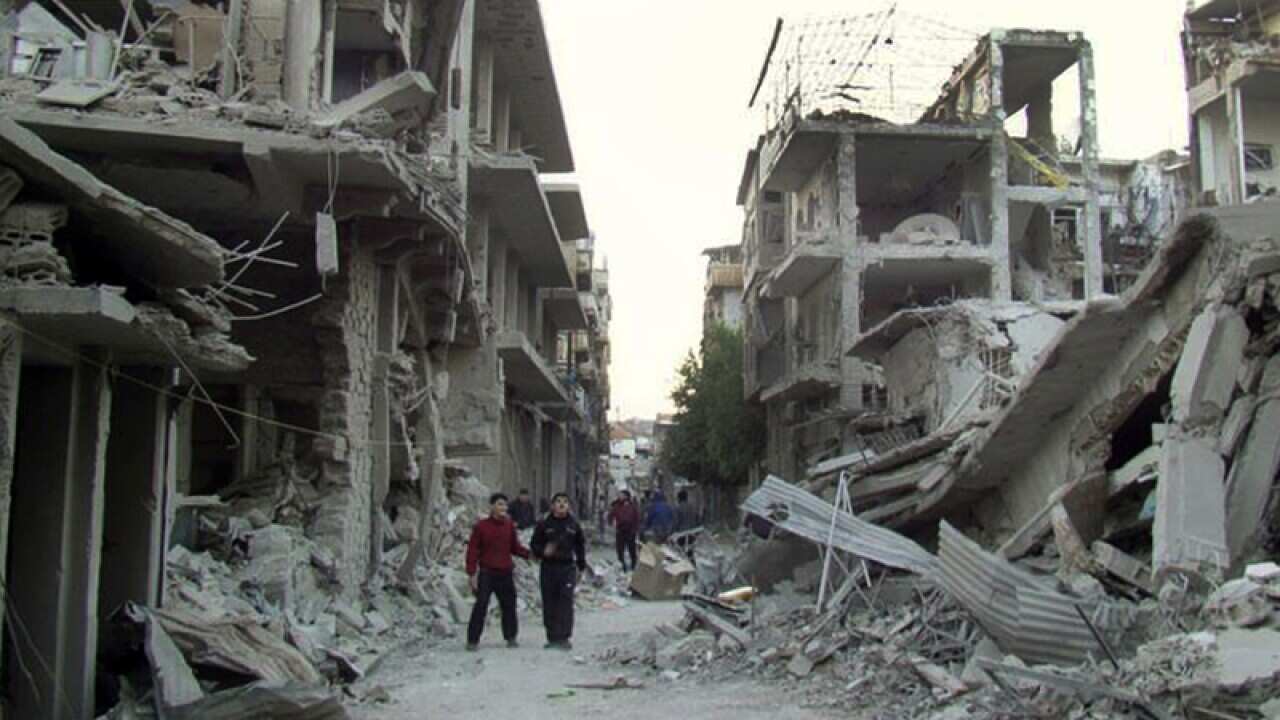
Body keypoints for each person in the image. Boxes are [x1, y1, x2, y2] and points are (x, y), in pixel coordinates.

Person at [465, 493, 530, 651]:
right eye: (500, 504)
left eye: (505, 505)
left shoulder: (509, 526)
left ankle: (511, 637)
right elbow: (472, 551)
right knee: (481, 605)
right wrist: (472, 573)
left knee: (509, 605)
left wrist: (531, 554)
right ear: (492, 506)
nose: (504, 508)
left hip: (505, 572)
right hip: (487, 573)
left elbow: (515, 547)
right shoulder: (481, 527)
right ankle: (472, 640)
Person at [530, 493, 587, 650]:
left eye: (565, 502)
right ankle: (552, 637)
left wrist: (581, 567)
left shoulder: (574, 525)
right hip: (548, 568)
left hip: (567, 568)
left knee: (565, 602)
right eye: (558, 502)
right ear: (552, 505)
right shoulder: (544, 524)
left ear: (569, 506)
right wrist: (542, 552)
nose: (562, 505)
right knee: (549, 602)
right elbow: (534, 545)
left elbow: (580, 547)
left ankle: (564, 637)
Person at [607, 490, 640, 571]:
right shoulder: (616, 505)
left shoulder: (633, 506)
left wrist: (635, 529)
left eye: (622, 495)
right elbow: (610, 515)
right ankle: (622, 565)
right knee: (620, 549)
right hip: (620, 530)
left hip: (630, 531)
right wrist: (611, 522)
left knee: (631, 549)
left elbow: (637, 518)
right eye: (619, 495)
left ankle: (633, 564)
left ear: (627, 496)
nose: (620, 496)